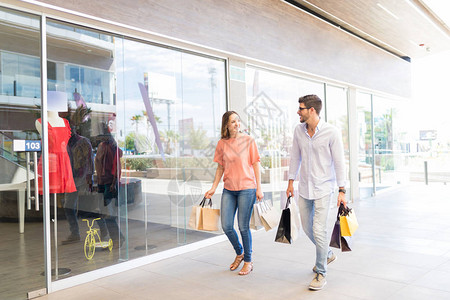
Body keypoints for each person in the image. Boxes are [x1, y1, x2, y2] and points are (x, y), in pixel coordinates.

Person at [286, 94, 346, 290]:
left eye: (301, 108)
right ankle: (327, 253)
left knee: (319, 229)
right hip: (304, 188)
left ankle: (321, 273)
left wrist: (342, 190)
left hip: (323, 188)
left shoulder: (331, 132)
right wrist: (290, 181)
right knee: (307, 228)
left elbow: (339, 163)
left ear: (312, 110)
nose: (298, 112)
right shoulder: (299, 131)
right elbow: (295, 156)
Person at [205, 111, 263, 276]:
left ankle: (248, 261)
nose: (237, 124)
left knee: (243, 227)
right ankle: (239, 252)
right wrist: (213, 187)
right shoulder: (222, 143)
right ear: (226, 126)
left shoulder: (248, 140)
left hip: (247, 188)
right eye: (233, 122)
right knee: (227, 226)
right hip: (229, 189)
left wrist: (259, 187)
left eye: (238, 120)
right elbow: (220, 168)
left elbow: (256, 164)